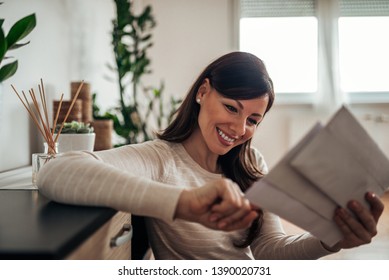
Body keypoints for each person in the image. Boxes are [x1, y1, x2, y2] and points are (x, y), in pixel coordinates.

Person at [38, 51, 384, 259]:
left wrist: (329, 240)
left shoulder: (251, 164)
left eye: (252, 119)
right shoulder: (160, 159)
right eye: (231, 107)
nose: (239, 128)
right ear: (203, 92)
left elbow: (268, 249)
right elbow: (56, 172)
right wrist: (185, 202)